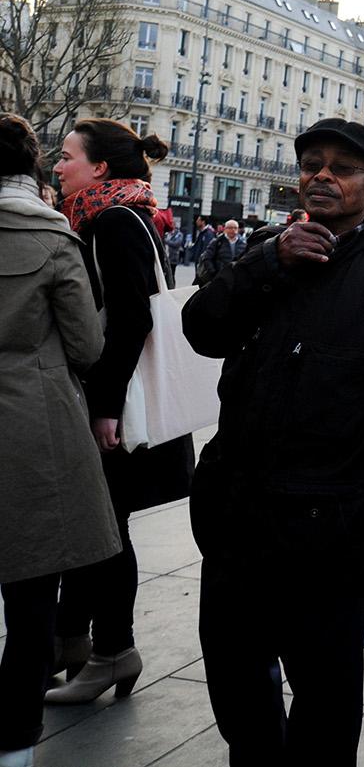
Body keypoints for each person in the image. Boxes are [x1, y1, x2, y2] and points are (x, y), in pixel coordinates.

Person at [182, 117, 364, 766]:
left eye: (342, 168)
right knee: (239, 697)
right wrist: (268, 263)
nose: (322, 175)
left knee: (324, 712)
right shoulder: (266, 252)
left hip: (331, 540)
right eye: (312, 163)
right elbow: (202, 327)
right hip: (237, 524)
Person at [46, 120, 194, 705]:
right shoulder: (121, 214)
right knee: (97, 524)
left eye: (67, 157)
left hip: (118, 406)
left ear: (100, 168)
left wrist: (105, 407)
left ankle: (112, 650)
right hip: (116, 397)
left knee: (105, 530)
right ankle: (71, 640)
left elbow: (132, 319)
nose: (58, 168)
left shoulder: (112, 220)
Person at [0, 115, 120, 767]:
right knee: (30, 608)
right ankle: (14, 746)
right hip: (29, 428)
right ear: (33, 169)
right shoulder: (50, 232)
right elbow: (87, 344)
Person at [194, 218, 239, 286]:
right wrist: (213, 273)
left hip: (235, 278)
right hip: (219, 277)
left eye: (235, 228)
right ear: (225, 229)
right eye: (230, 228)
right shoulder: (217, 242)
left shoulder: (243, 244)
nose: (233, 230)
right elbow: (207, 257)